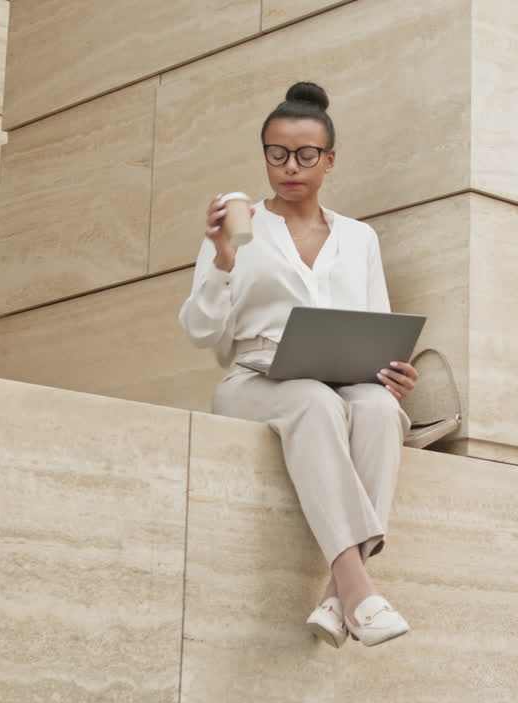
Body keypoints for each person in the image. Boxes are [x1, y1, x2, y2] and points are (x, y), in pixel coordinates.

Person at [178, 81, 418, 648]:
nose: (291, 166)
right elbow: (202, 333)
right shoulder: (236, 232)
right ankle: (357, 587)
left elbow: (376, 324)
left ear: (329, 160)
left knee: (381, 410)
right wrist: (222, 260)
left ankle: (336, 600)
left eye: (306, 155)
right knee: (312, 399)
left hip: (341, 380)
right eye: (277, 153)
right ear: (264, 155)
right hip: (255, 382)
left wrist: (393, 371)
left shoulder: (360, 238)